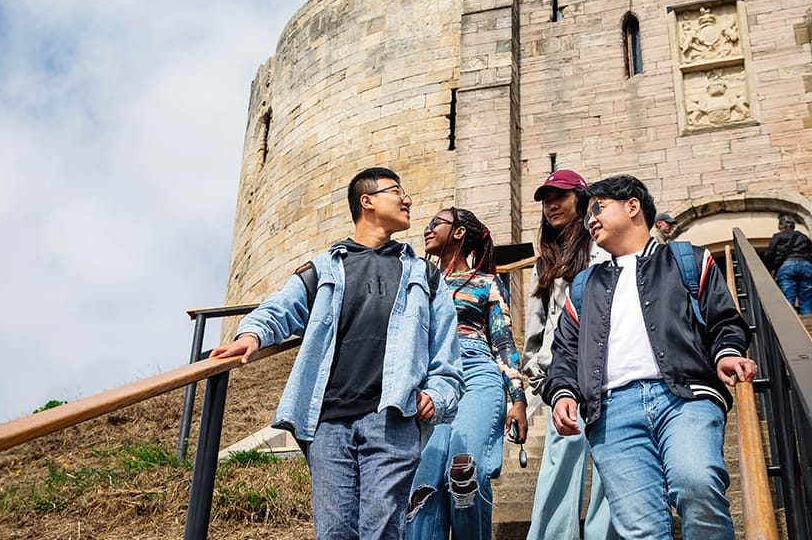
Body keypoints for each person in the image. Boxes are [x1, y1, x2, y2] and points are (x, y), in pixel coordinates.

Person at [212, 167, 464, 540]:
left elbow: (446, 355)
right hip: (327, 423)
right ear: (368, 202)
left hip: (392, 418)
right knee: (333, 532)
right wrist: (252, 333)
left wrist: (437, 395)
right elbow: (282, 306)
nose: (407, 199)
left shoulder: (424, 276)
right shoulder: (325, 267)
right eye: (397, 191)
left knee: (381, 529)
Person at [544, 175, 755, 539]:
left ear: (632, 206)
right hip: (611, 414)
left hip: (685, 398)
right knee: (641, 529)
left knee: (697, 484)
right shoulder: (583, 285)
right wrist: (563, 392)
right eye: (587, 213)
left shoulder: (688, 260)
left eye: (598, 208)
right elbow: (565, 351)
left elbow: (724, 321)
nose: (589, 218)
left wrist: (726, 354)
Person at [407, 207, 524, 539]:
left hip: (476, 371)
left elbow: (502, 341)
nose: (427, 229)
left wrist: (517, 399)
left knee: (463, 471)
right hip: (431, 382)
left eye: (435, 224)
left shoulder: (487, 283)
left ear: (458, 232)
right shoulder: (420, 284)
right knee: (425, 485)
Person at [518, 170, 617, 540]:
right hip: (563, 371)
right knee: (561, 458)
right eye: (546, 199)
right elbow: (536, 326)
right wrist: (536, 373)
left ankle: (605, 534)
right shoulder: (545, 259)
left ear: (581, 198)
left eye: (560, 196)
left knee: (610, 455)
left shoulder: (601, 244)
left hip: (607, 364)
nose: (551, 205)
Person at [762, 214, 812, 316]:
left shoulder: (777, 236)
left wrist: (771, 268)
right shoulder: (803, 237)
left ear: (780, 226)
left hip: (787, 267)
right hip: (806, 266)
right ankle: (810, 324)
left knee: (788, 300)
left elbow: (769, 255)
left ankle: (792, 328)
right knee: (806, 300)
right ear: (793, 226)